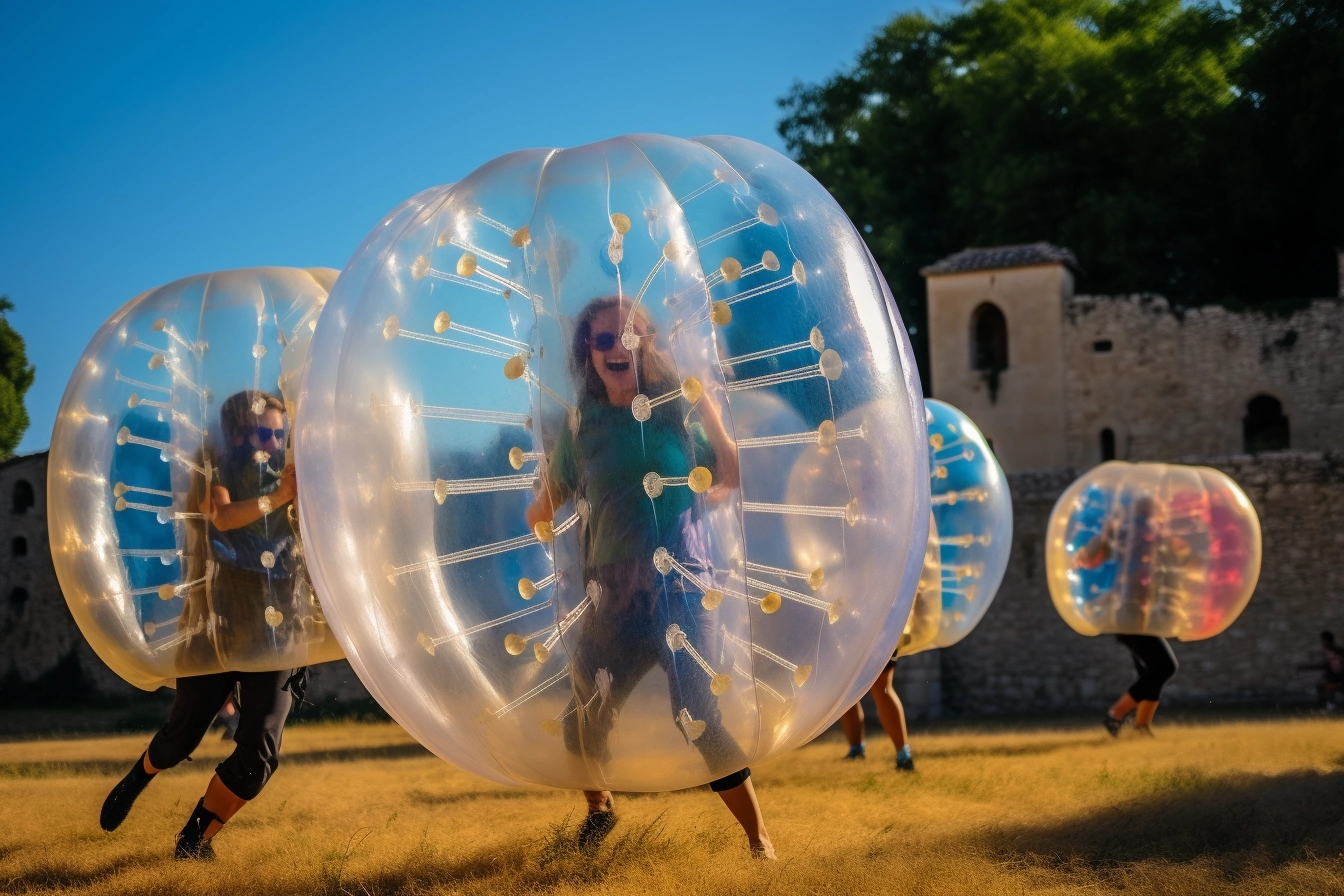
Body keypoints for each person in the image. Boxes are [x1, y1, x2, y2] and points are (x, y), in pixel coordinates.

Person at [525, 296, 774, 859]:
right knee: (581, 718)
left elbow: (730, 472)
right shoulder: (581, 428)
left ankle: (760, 842)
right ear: (587, 354)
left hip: (681, 584)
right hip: (610, 590)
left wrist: (704, 404)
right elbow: (547, 505)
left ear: (649, 342)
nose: (618, 347)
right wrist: (545, 515)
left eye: (629, 336)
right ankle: (600, 810)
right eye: (603, 340)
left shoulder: (674, 412)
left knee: (697, 716)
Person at [99, 390, 307, 859]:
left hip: (278, 632)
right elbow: (222, 515)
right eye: (263, 432)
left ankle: (194, 840)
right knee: (182, 736)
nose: (274, 443)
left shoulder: (295, 474)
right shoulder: (212, 465)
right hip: (219, 624)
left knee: (259, 755)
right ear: (235, 432)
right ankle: (143, 774)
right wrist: (281, 497)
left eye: (281, 433)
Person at [839, 660, 914, 770]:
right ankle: (856, 751)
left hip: (877, 643)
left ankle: (904, 756)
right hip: (846, 644)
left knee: (881, 685)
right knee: (844, 687)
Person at [1104, 635, 1178, 736]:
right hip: (1133, 627)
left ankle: (1141, 727)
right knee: (1165, 667)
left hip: (1139, 627)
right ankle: (1115, 714)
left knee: (1154, 671)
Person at [1297, 631, 1344, 709]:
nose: (1321, 643)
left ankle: (1329, 705)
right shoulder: (1332, 652)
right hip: (1335, 681)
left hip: (1338, 681)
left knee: (1324, 687)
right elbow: (1325, 666)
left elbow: (1336, 667)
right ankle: (1327, 705)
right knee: (1322, 687)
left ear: (1326, 641)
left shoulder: (1332, 652)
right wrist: (1304, 668)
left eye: (1322, 641)